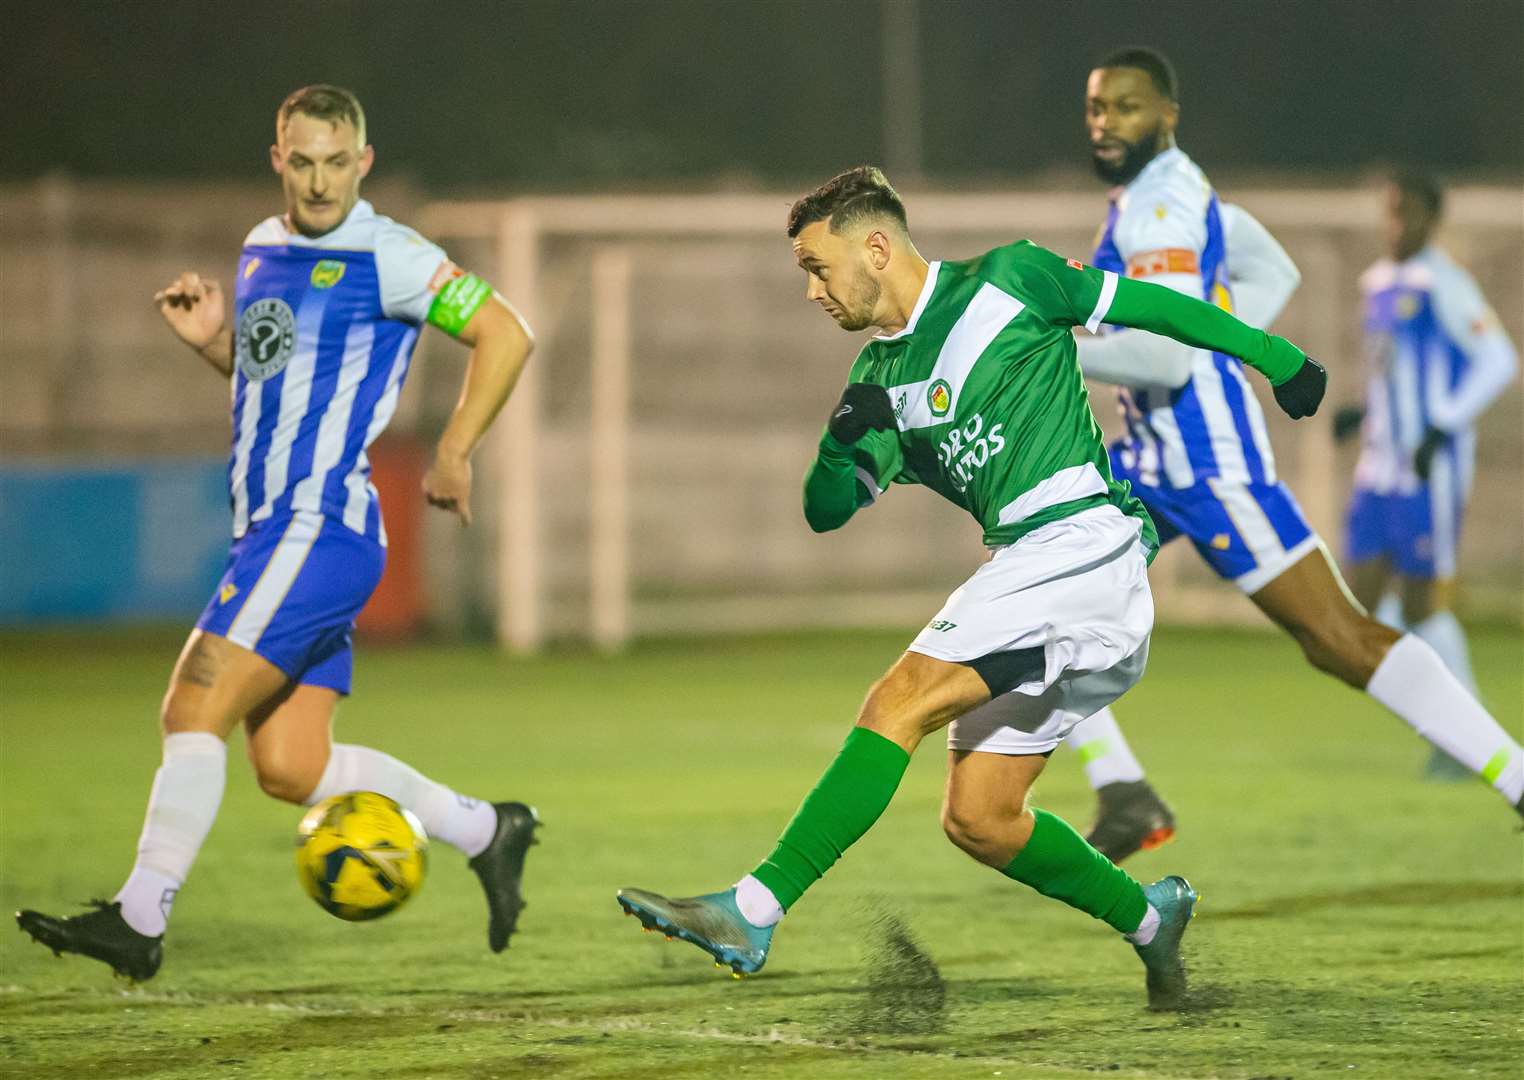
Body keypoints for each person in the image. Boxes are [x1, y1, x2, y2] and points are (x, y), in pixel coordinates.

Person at [616, 165, 1328, 1010]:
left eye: (817, 266)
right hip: (1047, 579)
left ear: (876, 247)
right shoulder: (878, 381)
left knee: (896, 702)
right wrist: (841, 445)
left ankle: (752, 907)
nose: (810, 291)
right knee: (981, 819)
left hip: (1082, 544)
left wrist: (1276, 358)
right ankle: (1149, 919)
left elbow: (1158, 309)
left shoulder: (1012, 279)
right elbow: (825, 512)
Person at [17, 85, 539, 981]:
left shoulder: (389, 254)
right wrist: (215, 343)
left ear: (363, 163)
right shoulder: (262, 248)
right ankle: (488, 829)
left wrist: (453, 451)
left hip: (318, 523)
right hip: (269, 532)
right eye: (304, 161)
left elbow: (507, 332)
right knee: (292, 769)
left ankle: (140, 918)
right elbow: (273, 379)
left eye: (339, 161)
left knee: (193, 702)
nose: (321, 179)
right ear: (278, 159)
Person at [1064, 48, 1524, 861]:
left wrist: (1052, 344)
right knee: (1050, 607)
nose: (1106, 122)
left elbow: (1167, 359)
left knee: (1339, 638)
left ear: (1167, 114)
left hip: (1209, 463)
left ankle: (1518, 778)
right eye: (1098, 107)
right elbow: (1270, 268)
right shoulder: (1149, 196)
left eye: (1127, 107)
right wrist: (1221, 335)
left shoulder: (1161, 204)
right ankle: (1123, 793)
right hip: (1145, 462)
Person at [1334, 172, 1518, 777]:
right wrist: (1363, 407)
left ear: (1430, 220)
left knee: (1420, 608)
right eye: (1389, 213)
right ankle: (1448, 724)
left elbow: (1498, 359)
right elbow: (1389, 366)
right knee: (1358, 609)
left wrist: (1442, 423)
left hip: (1425, 473)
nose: (1394, 226)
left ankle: (1465, 739)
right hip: (1378, 469)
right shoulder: (1379, 283)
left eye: (1406, 214)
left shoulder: (1446, 281)